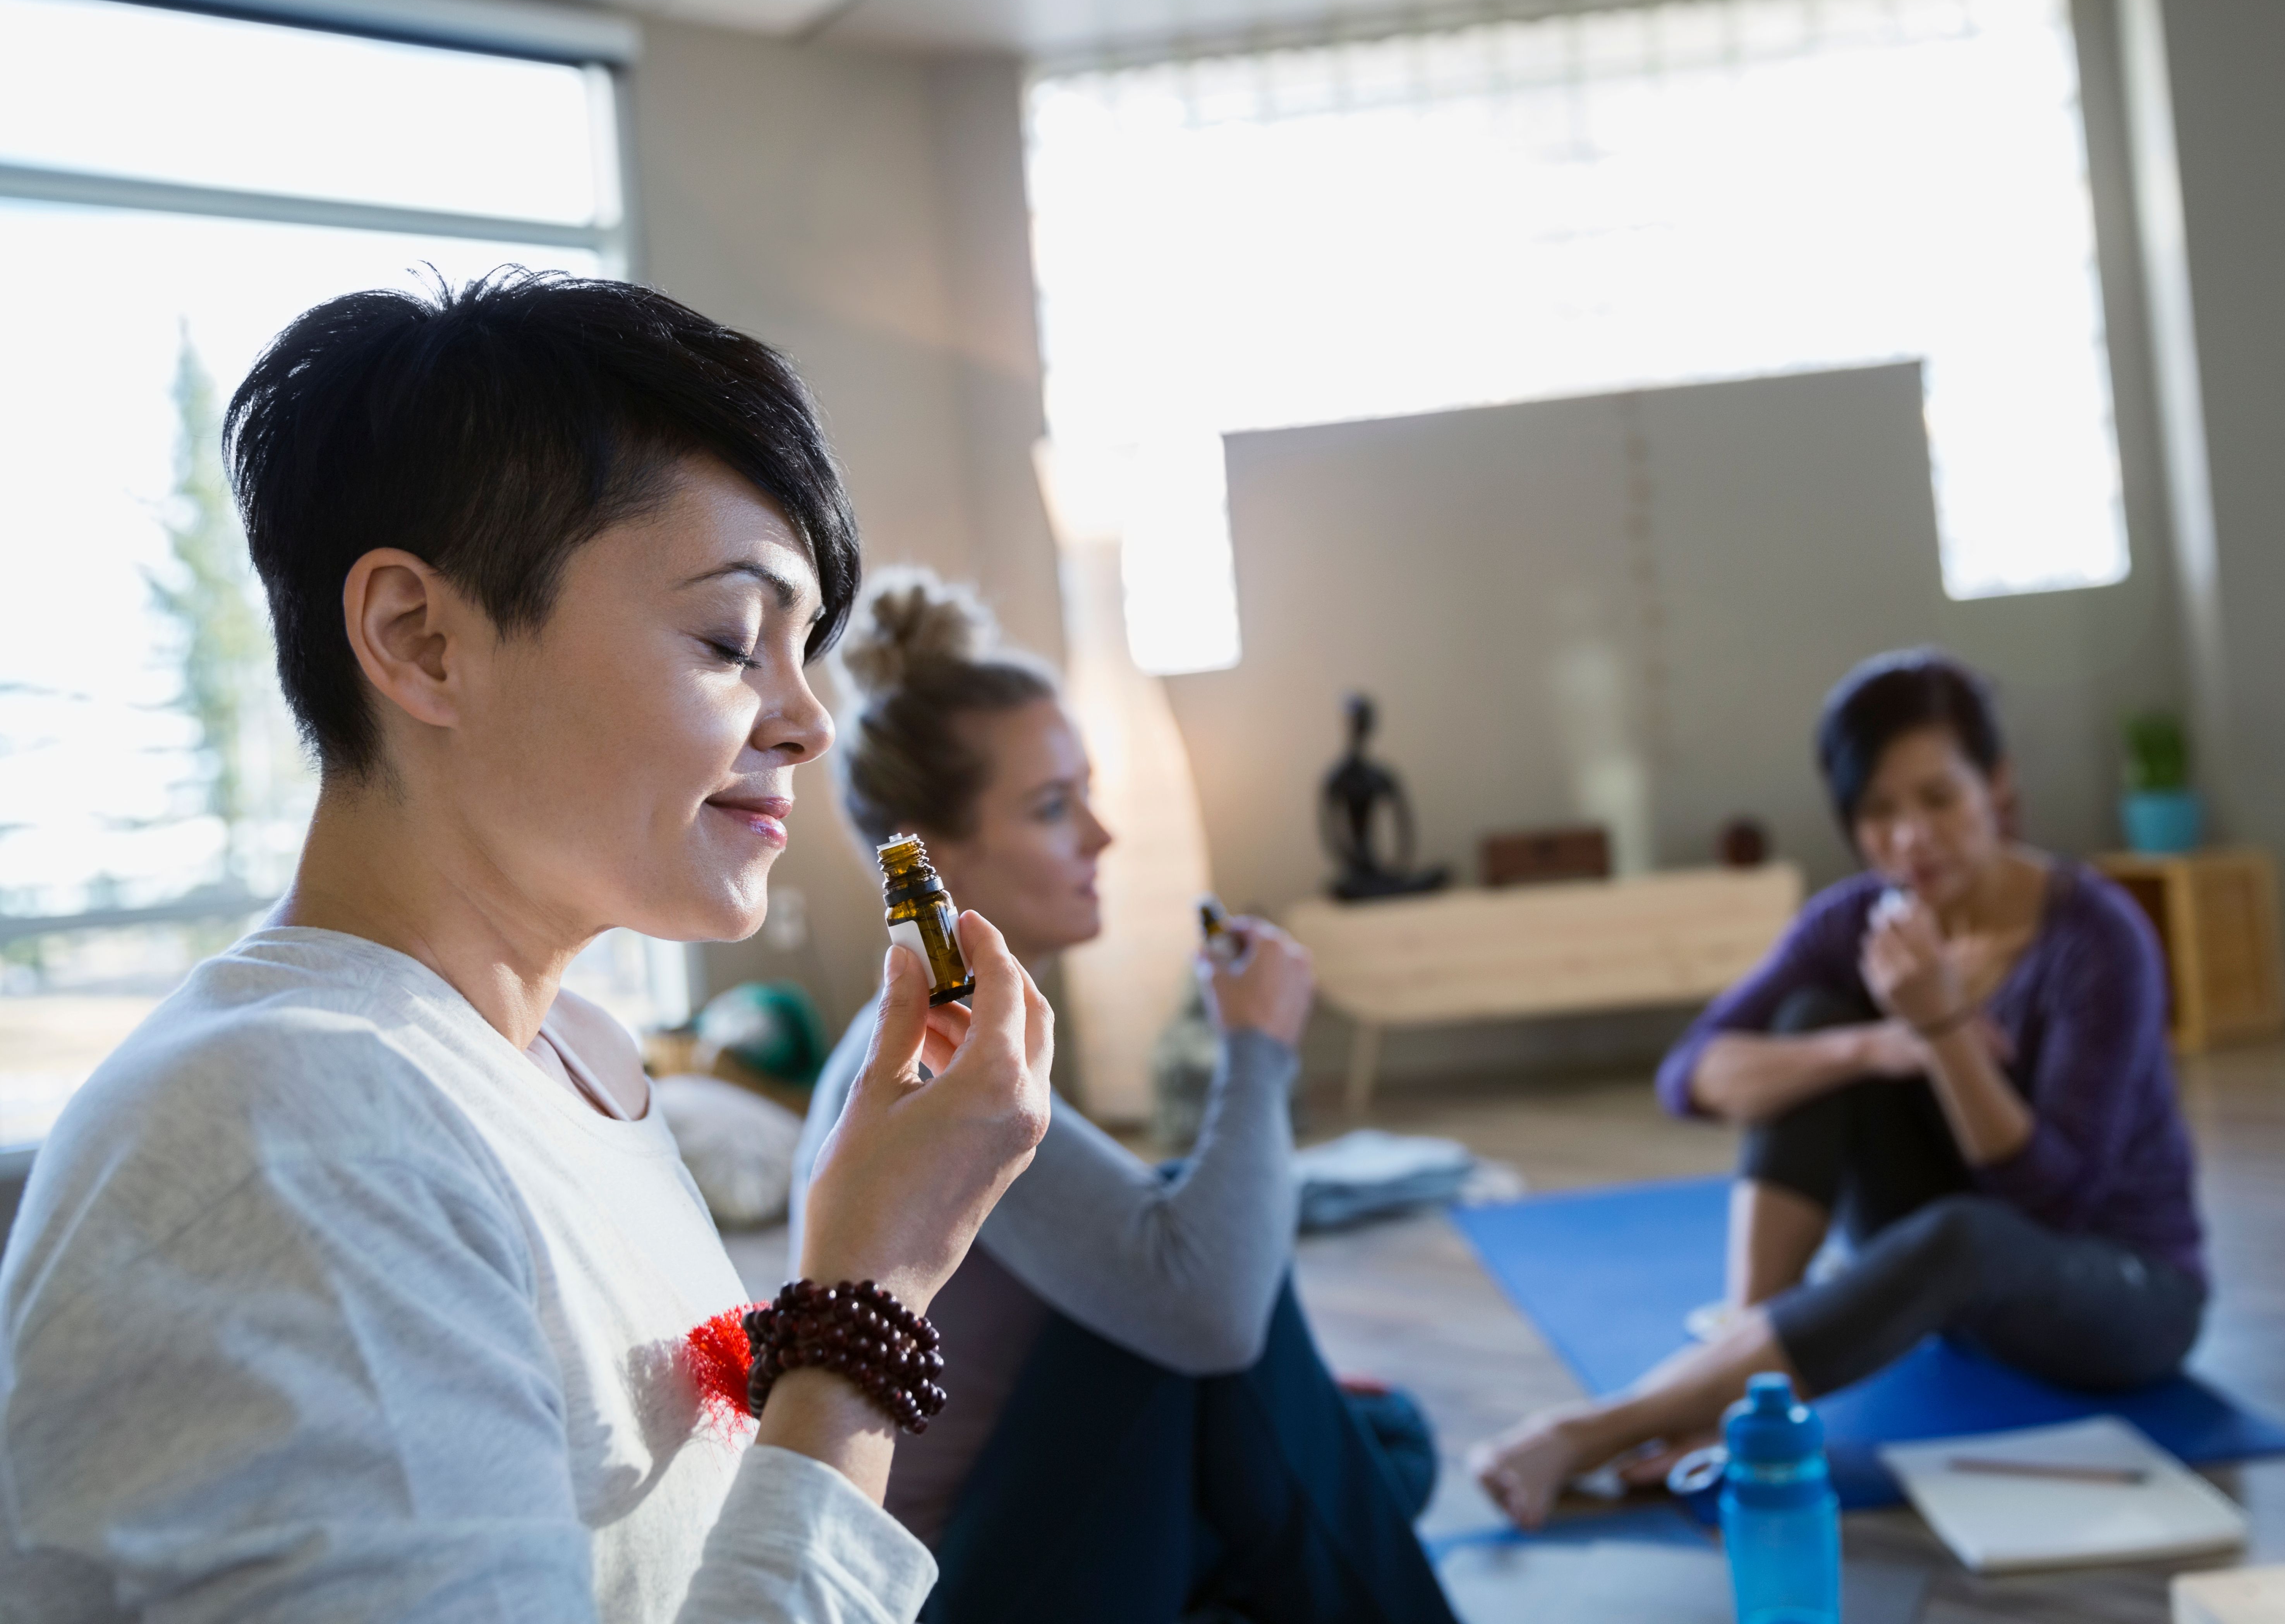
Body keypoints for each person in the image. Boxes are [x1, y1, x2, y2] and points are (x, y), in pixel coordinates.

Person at [0, 272, 1055, 1621]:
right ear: (421, 639)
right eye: (733, 639)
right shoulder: (296, 1132)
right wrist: (868, 1300)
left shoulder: (576, 1059)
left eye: (806, 651)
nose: (808, 723)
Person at [791, 570, 1457, 1624]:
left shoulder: (952, 1027)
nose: (1101, 836)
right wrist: (1258, 1050)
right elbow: (1212, 1310)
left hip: (1054, 1520)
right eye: (1053, 808)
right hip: (970, 1588)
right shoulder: (939, 1063)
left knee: (1386, 1437)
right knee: (1196, 1288)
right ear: (932, 852)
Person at [1470, 649, 2207, 1530]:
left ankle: (1595, 1428)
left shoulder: (2097, 938)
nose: (1910, 838)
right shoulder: (1856, 919)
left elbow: (2050, 1200)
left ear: (1998, 784)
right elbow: (1691, 1075)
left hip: (2118, 1290)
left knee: (1966, 1234)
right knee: (1812, 1022)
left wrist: (1941, 1029)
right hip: (1948, 1287)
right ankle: (1739, 1370)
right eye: (1879, 812)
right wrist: (1872, 1045)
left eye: (1938, 798)